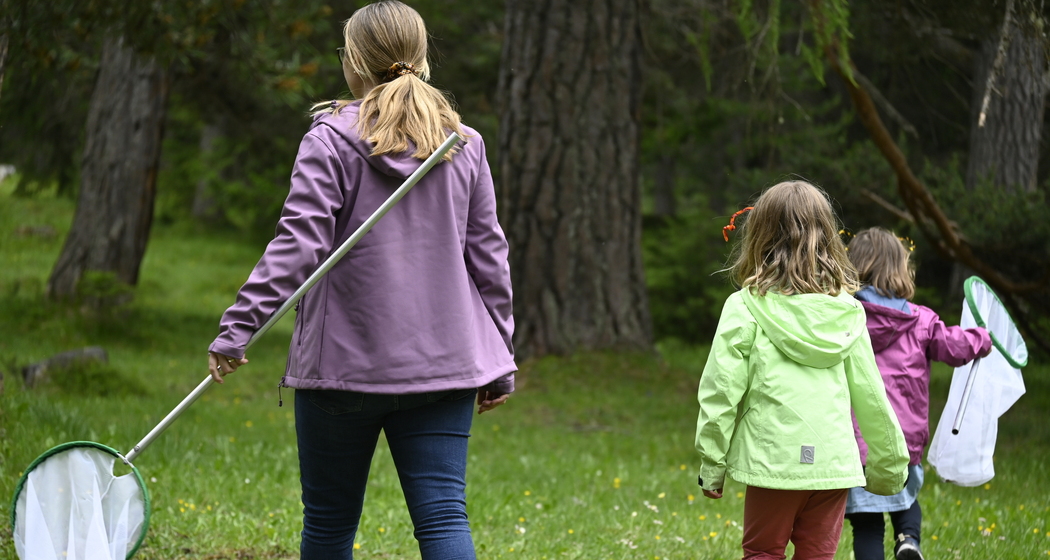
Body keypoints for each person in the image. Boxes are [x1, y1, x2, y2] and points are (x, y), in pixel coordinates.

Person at [205, 2, 516, 558]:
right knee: (445, 518)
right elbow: (488, 257)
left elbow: (296, 244)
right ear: (420, 59)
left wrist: (238, 328)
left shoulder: (331, 140)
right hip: (443, 370)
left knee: (328, 524)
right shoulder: (463, 143)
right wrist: (500, 357)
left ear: (354, 63)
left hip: (342, 371)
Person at [694, 180, 910, 560]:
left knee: (763, 551)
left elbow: (720, 390)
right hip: (832, 463)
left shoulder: (745, 306)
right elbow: (873, 396)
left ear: (758, 236)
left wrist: (712, 464)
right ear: (827, 237)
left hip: (773, 460)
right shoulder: (847, 311)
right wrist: (889, 468)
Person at [843, 227, 991, 560]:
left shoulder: (844, 318)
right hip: (904, 440)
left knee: (866, 525)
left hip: (858, 442)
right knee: (906, 501)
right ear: (900, 270)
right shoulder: (922, 321)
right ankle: (908, 539)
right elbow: (955, 346)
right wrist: (981, 338)